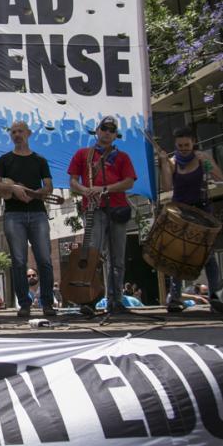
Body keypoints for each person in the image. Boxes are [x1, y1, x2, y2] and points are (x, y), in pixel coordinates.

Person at [67, 115, 137, 314]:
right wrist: (85, 190)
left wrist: (104, 189)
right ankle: (89, 299)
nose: (107, 133)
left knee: (117, 258)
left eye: (111, 130)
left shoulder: (122, 157)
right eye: (103, 129)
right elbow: (72, 181)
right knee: (92, 254)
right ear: (97, 131)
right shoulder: (83, 154)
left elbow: (129, 182)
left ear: (115, 135)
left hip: (117, 209)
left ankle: (115, 299)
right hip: (93, 209)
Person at [0, 121, 57, 317]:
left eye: (20, 131)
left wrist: (36, 193)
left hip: (38, 214)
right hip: (13, 215)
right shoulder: (4, 160)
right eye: (13, 132)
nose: (17, 134)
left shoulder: (40, 160)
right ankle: (24, 304)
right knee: (18, 261)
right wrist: (13, 189)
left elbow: (49, 188)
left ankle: (47, 303)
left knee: (44, 259)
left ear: (28, 133)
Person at [158, 125, 223, 312]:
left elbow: (221, 179)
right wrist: (164, 164)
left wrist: (209, 167)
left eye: (186, 145)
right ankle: (175, 298)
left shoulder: (202, 157)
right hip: (181, 212)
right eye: (180, 145)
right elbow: (166, 187)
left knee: (208, 256)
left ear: (193, 143)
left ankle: (214, 296)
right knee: (178, 254)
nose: (183, 148)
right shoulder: (172, 162)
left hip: (202, 211)